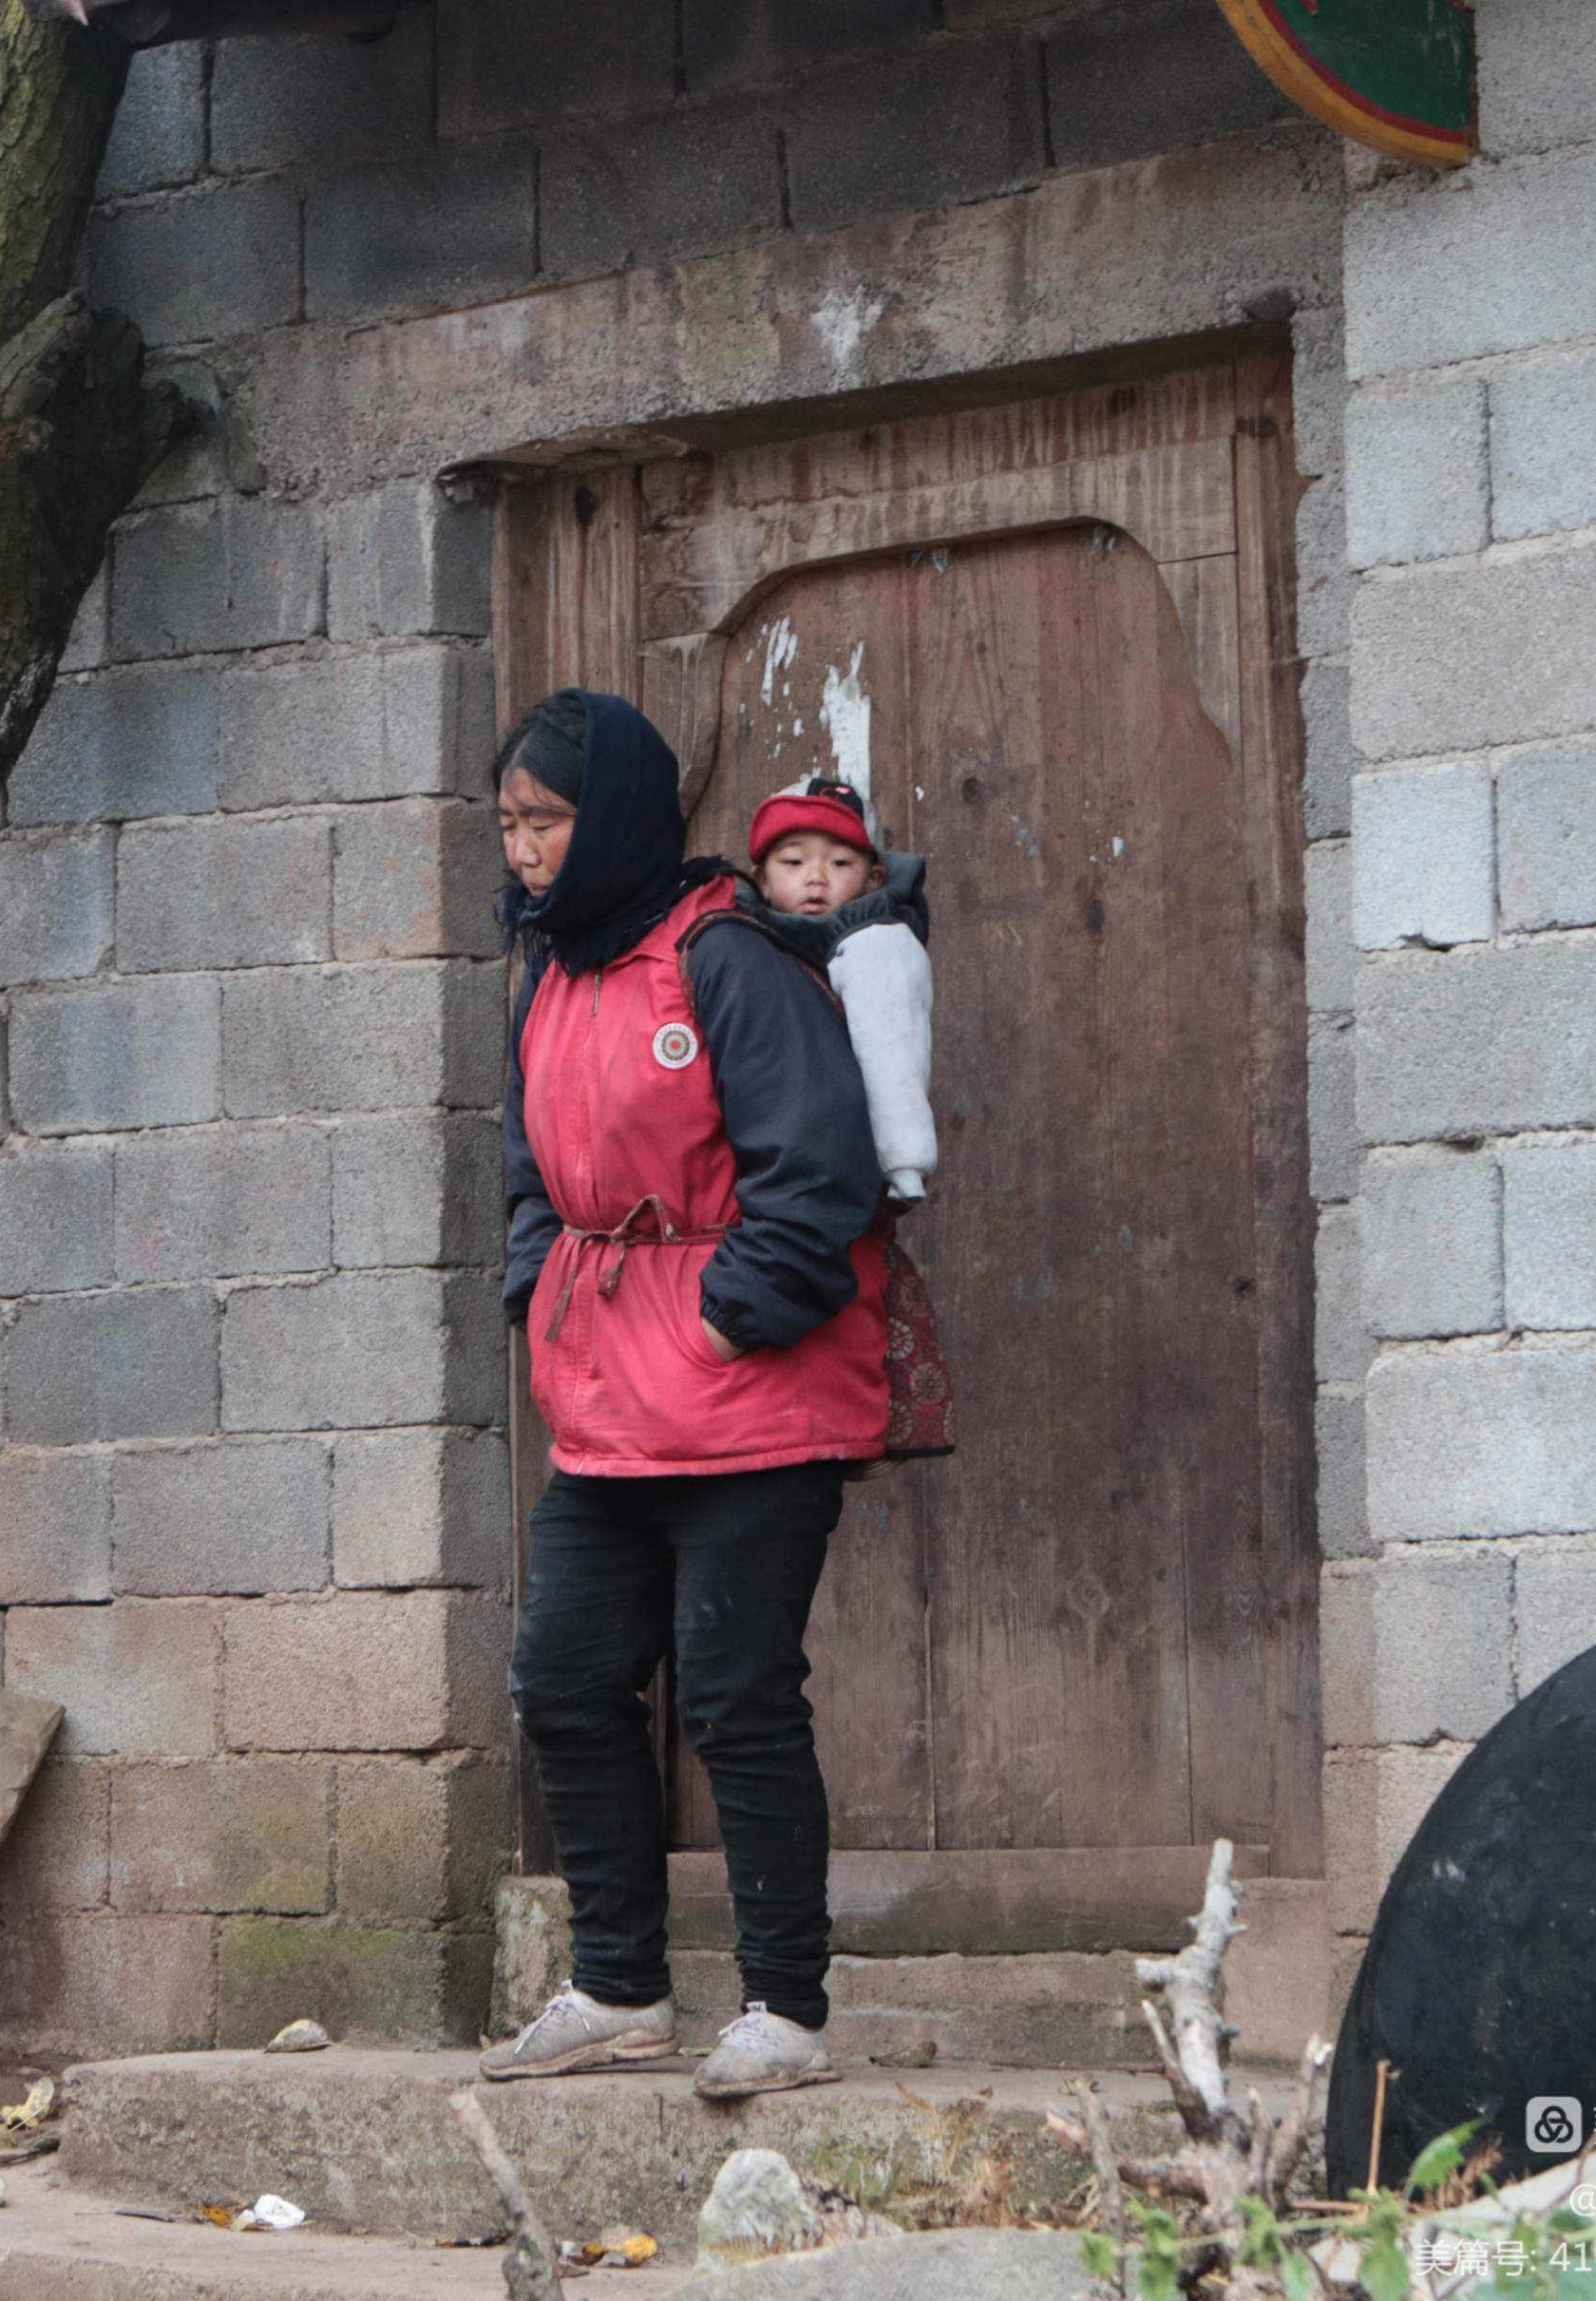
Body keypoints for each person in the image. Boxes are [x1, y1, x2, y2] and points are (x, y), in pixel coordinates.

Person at [478, 688, 889, 2101]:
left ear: (620, 817)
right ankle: (619, 1984)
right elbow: (533, 1173)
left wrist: (724, 1322)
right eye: (512, 823)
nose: (526, 849)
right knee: (567, 1679)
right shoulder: (551, 972)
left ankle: (786, 2006)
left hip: (750, 1394)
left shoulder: (725, 958)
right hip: (605, 1390)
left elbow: (818, 1170)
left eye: (547, 819)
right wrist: (540, 1285)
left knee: (735, 1691)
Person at [742, 774, 937, 1205]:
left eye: (840, 864)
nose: (816, 879)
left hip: (840, 1163)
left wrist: (903, 1164)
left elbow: (893, 1056)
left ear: (874, 878)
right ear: (762, 879)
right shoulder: (738, 943)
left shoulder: (875, 947)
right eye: (793, 863)